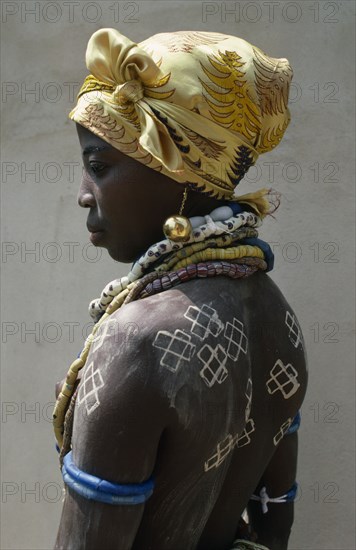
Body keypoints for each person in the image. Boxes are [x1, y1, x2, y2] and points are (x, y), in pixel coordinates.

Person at [53, 29, 308, 550]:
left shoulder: (136, 341)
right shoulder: (277, 315)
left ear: (181, 176)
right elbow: (275, 519)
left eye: (99, 167)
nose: (83, 194)